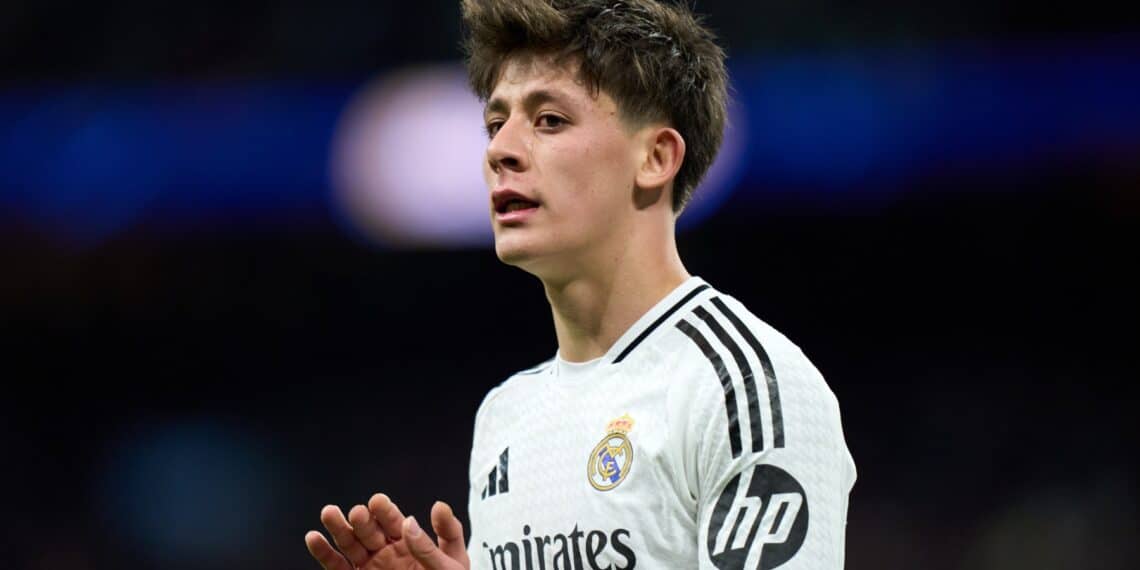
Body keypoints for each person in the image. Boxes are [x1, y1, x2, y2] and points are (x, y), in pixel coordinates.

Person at [306, 0, 856, 568]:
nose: (500, 150)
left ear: (656, 157)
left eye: (549, 121)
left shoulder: (743, 387)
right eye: (496, 124)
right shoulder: (505, 414)